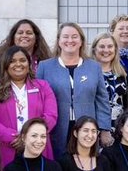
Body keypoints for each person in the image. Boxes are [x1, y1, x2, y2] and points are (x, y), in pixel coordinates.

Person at [36, 22, 112, 158]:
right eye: (65, 37)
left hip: (86, 129)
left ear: (81, 41)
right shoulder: (44, 67)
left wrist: (104, 128)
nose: (70, 40)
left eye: (74, 37)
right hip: (55, 129)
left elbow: (102, 100)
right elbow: (37, 101)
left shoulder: (94, 67)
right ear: (59, 41)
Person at [0, 47, 58, 167]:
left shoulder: (43, 86)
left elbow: (51, 115)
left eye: (22, 60)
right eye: (12, 61)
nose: (18, 64)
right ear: (5, 64)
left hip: (37, 146)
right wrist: (11, 137)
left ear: (29, 63)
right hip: (4, 146)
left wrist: (31, 136)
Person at [92, 32, 128, 132]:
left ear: (115, 49)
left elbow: (126, 103)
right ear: (94, 49)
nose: (106, 50)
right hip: (95, 127)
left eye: (110, 46)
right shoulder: (88, 72)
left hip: (119, 127)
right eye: (102, 46)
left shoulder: (122, 72)